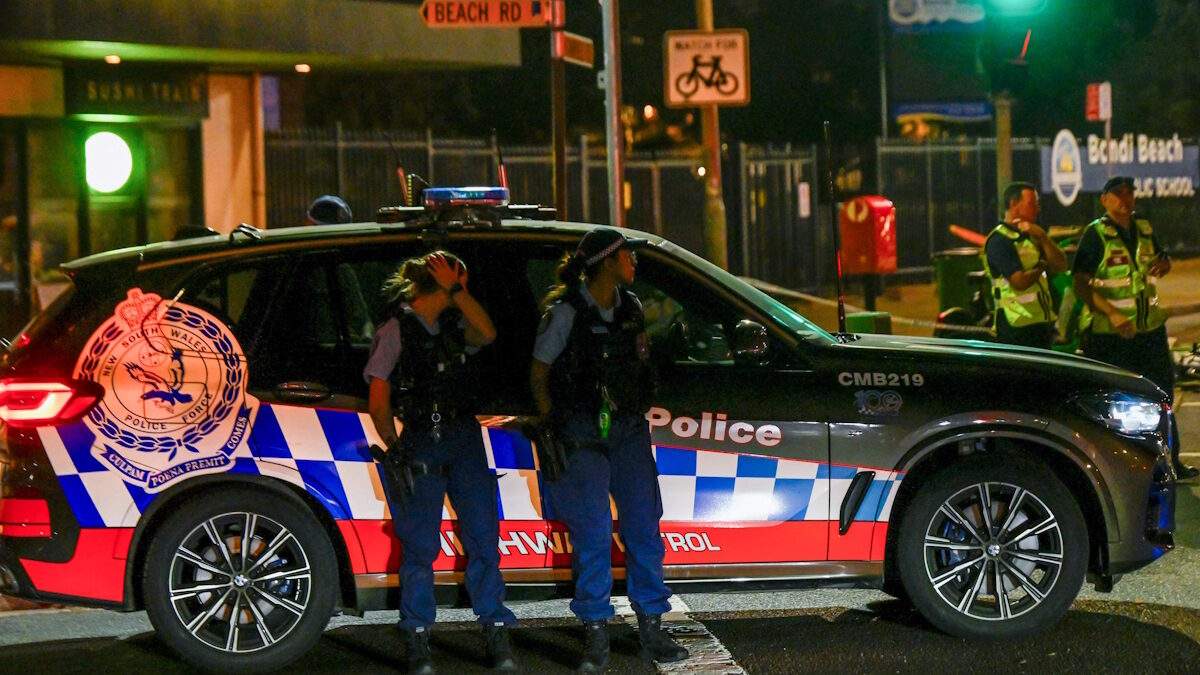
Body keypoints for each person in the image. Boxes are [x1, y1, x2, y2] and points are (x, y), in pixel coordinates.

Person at [530, 228, 688, 672]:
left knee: (643, 527)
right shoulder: (566, 312)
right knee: (592, 533)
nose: (633, 263)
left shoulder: (631, 307)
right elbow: (539, 376)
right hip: (582, 432)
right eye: (626, 256)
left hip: (628, 430)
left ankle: (651, 626)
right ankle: (596, 630)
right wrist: (554, 425)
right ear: (606, 262)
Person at [363, 251, 517, 673]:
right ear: (445, 282)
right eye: (460, 283)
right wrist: (394, 449)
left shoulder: (454, 323)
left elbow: (487, 333)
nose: (465, 291)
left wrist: (456, 292)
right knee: (420, 546)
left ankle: (494, 626)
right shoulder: (396, 329)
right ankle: (416, 634)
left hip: (463, 436)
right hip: (421, 440)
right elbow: (379, 399)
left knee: (483, 538)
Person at [1072, 176, 1197, 479]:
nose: (1125, 199)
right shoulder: (1095, 234)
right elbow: (1081, 283)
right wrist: (1113, 313)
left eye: (1129, 193)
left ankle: (1170, 463)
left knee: (1161, 396)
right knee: (1114, 403)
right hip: (1111, 335)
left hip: (1148, 330)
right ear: (1104, 199)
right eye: (1118, 194)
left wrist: (1164, 264)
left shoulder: (1143, 228)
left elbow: (1160, 259)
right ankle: (1115, 468)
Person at [983, 181, 1067, 348]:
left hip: (1040, 323)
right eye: (1032, 204)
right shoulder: (999, 240)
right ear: (1014, 203)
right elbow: (1019, 281)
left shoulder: (1033, 235)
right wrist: (1042, 266)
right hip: (1016, 326)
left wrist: (1043, 237)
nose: (1037, 208)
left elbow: (1061, 265)